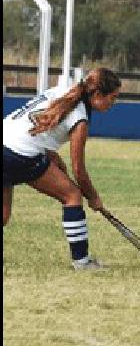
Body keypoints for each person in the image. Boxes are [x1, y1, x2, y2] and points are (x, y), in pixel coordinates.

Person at [3, 67, 122, 270]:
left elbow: (34, 125)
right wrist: (92, 197)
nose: (114, 103)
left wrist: (52, 155)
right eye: (113, 97)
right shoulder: (80, 119)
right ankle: (82, 262)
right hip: (18, 153)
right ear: (97, 95)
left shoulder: (61, 90)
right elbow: (79, 170)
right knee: (72, 196)